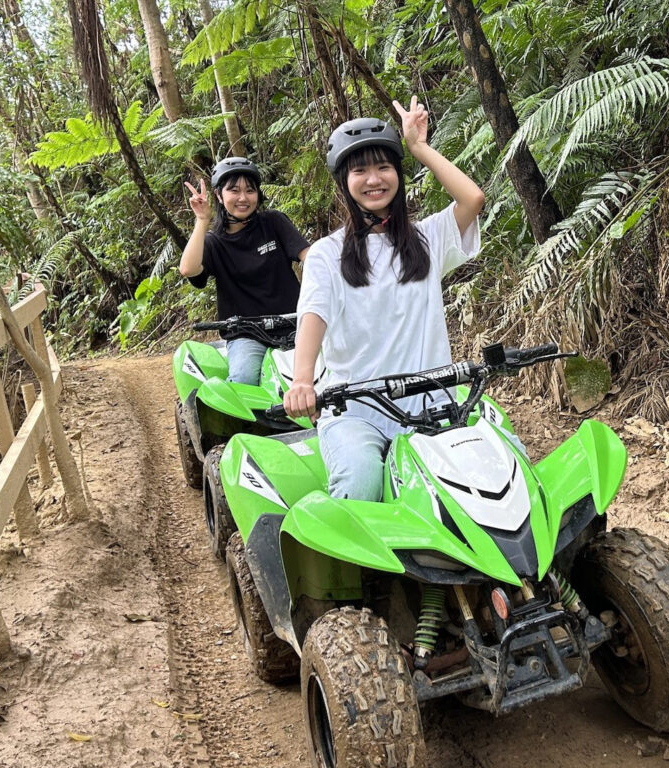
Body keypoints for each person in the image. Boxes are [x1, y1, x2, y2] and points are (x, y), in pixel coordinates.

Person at [283, 97, 486, 501]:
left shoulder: (427, 238)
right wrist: (303, 379)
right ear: (344, 182)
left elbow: (473, 199)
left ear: (398, 173)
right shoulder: (327, 253)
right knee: (359, 483)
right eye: (360, 170)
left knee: (501, 464)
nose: (373, 179)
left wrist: (419, 148)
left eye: (383, 166)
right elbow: (313, 315)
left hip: (433, 404)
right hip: (356, 411)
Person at [178, 157, 310, 385]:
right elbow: (188, 269)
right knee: (243, 379)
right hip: (246, 335)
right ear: (219, 195)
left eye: (250, 190)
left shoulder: (273, 222)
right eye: (234, 190)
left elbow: (311, 258)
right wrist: (202, 220)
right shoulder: (214, 242)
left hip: (295, 324)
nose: (243, 198)